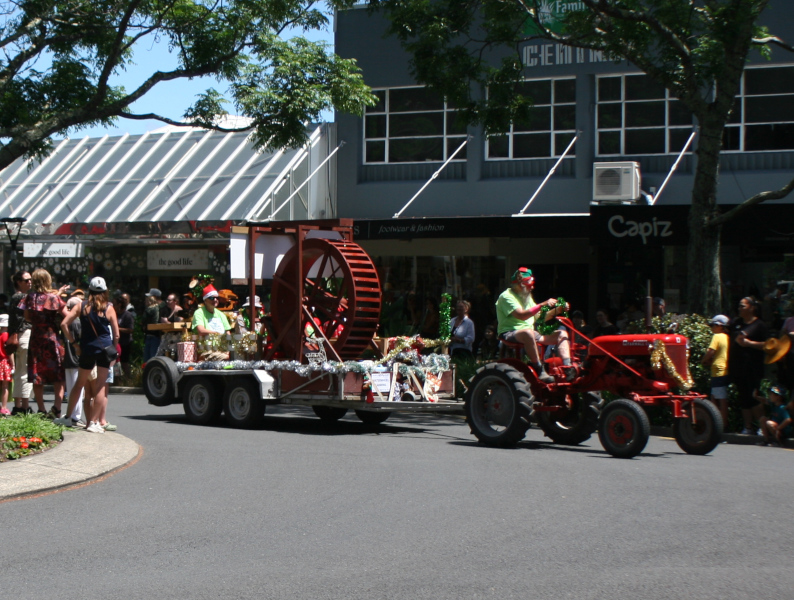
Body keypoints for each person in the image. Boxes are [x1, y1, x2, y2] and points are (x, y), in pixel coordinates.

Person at [56, 277, 119, 434]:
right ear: (105, 292)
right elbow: (116, 334)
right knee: (100, 388)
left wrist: (74, 344)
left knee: (79, 384)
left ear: (88, 291)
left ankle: (68, 417)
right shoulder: (109, 308)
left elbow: (64, 324)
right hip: (105, 350)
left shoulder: (81, 306)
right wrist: (113, 348)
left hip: (87, 349)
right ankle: (94, 422)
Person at [495, 267, 570, 383]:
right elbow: (521, 315)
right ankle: (539, 369)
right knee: (528, 333)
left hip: (530, 332)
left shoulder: (526, 297)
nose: (533, 287)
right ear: (521, 284)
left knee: (562, 333)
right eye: (531, 284)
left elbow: (539, 318)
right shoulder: (506, 296)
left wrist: (558, 310)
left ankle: (568, 368)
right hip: (510, 332)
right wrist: (543, 304)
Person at [21, 268, 67, 417]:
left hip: (36, 338)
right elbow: (67, 315)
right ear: (48, 280)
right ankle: (57, 408)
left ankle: (41, 409)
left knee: (37, 374)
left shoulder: (29, 298)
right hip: (51, 337)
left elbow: (27, 317)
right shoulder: (53, 298)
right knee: (58, 374)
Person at [729, 296, 769, 435]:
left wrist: (750, 343)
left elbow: (768, 345)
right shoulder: (737, 322)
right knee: (743, 398)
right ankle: (748, 427)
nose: (740, 309)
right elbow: (735, 339)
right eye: (739, 306)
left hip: (753, 367)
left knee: (754, 397)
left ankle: (762, 427)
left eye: (743, 306)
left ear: (752, 308)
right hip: (738, 367)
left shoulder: (760, 325)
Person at [8, 270, 33, 416]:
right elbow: (25, 318)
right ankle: (24, 406)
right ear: (18, 282)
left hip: (18, 336)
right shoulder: (23, 297)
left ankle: (18, 405)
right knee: (25, 371)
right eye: (26, 280)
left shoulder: (15, 297)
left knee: (19, 371)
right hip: (24, 335)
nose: (30, 282)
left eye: (30, 280)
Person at [701, 314, 731, 427]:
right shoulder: (728, 337)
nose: (712, 328)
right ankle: (717, 424)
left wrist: (703, 360)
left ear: (720, 326)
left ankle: (721, 426)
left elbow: (711, 352)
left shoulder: (717, 336)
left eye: (713, 325)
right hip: (724, 370)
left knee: (720, 400)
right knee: (715, 398)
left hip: (718, 371)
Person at [60, 297, 85, 427]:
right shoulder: (77, 322)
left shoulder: (66, 322)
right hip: (76, 359)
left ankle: (71, 415)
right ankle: (76, 416)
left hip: (68, 359)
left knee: (70, 389)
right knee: (78, 389)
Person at [113, 294, 135, 378]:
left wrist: (118, 329)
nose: (113, 306)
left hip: (125, 342)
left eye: (114, 304)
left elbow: (131, 329)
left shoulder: (127, 315)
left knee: (124, 362)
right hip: (116, 342)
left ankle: (129, 379)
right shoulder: (114, 314)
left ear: (119, 304)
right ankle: (117, 380)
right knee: (115, 362)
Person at [142, 288, 165, 362]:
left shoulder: (163, 307)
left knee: (153, 359)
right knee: (147, 359)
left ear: (154, 297)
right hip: (150, 335)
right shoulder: (152, 308)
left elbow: (155, 322)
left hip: (157, 336)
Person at [0, 314, 13, 417]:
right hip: (5, 362)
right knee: (5, 386)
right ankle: (4, 407)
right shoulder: (6, 336)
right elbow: (9, 351)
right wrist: (13, 364)